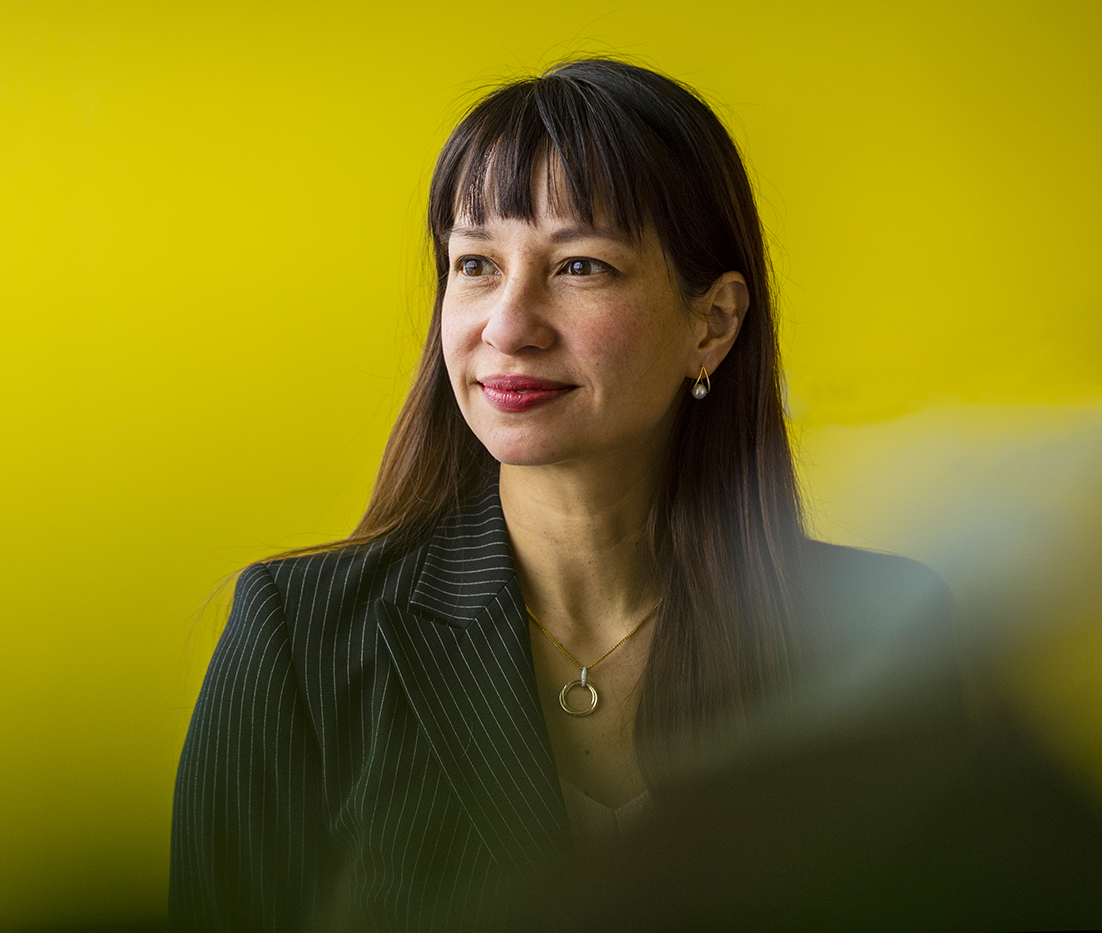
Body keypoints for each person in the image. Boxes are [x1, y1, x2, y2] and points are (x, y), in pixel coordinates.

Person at [167, 58, 962, 931]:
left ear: (715, 323)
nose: (508, 324)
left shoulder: (889, 636)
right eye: (475, 263)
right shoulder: (299, 634)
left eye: (580, 266)